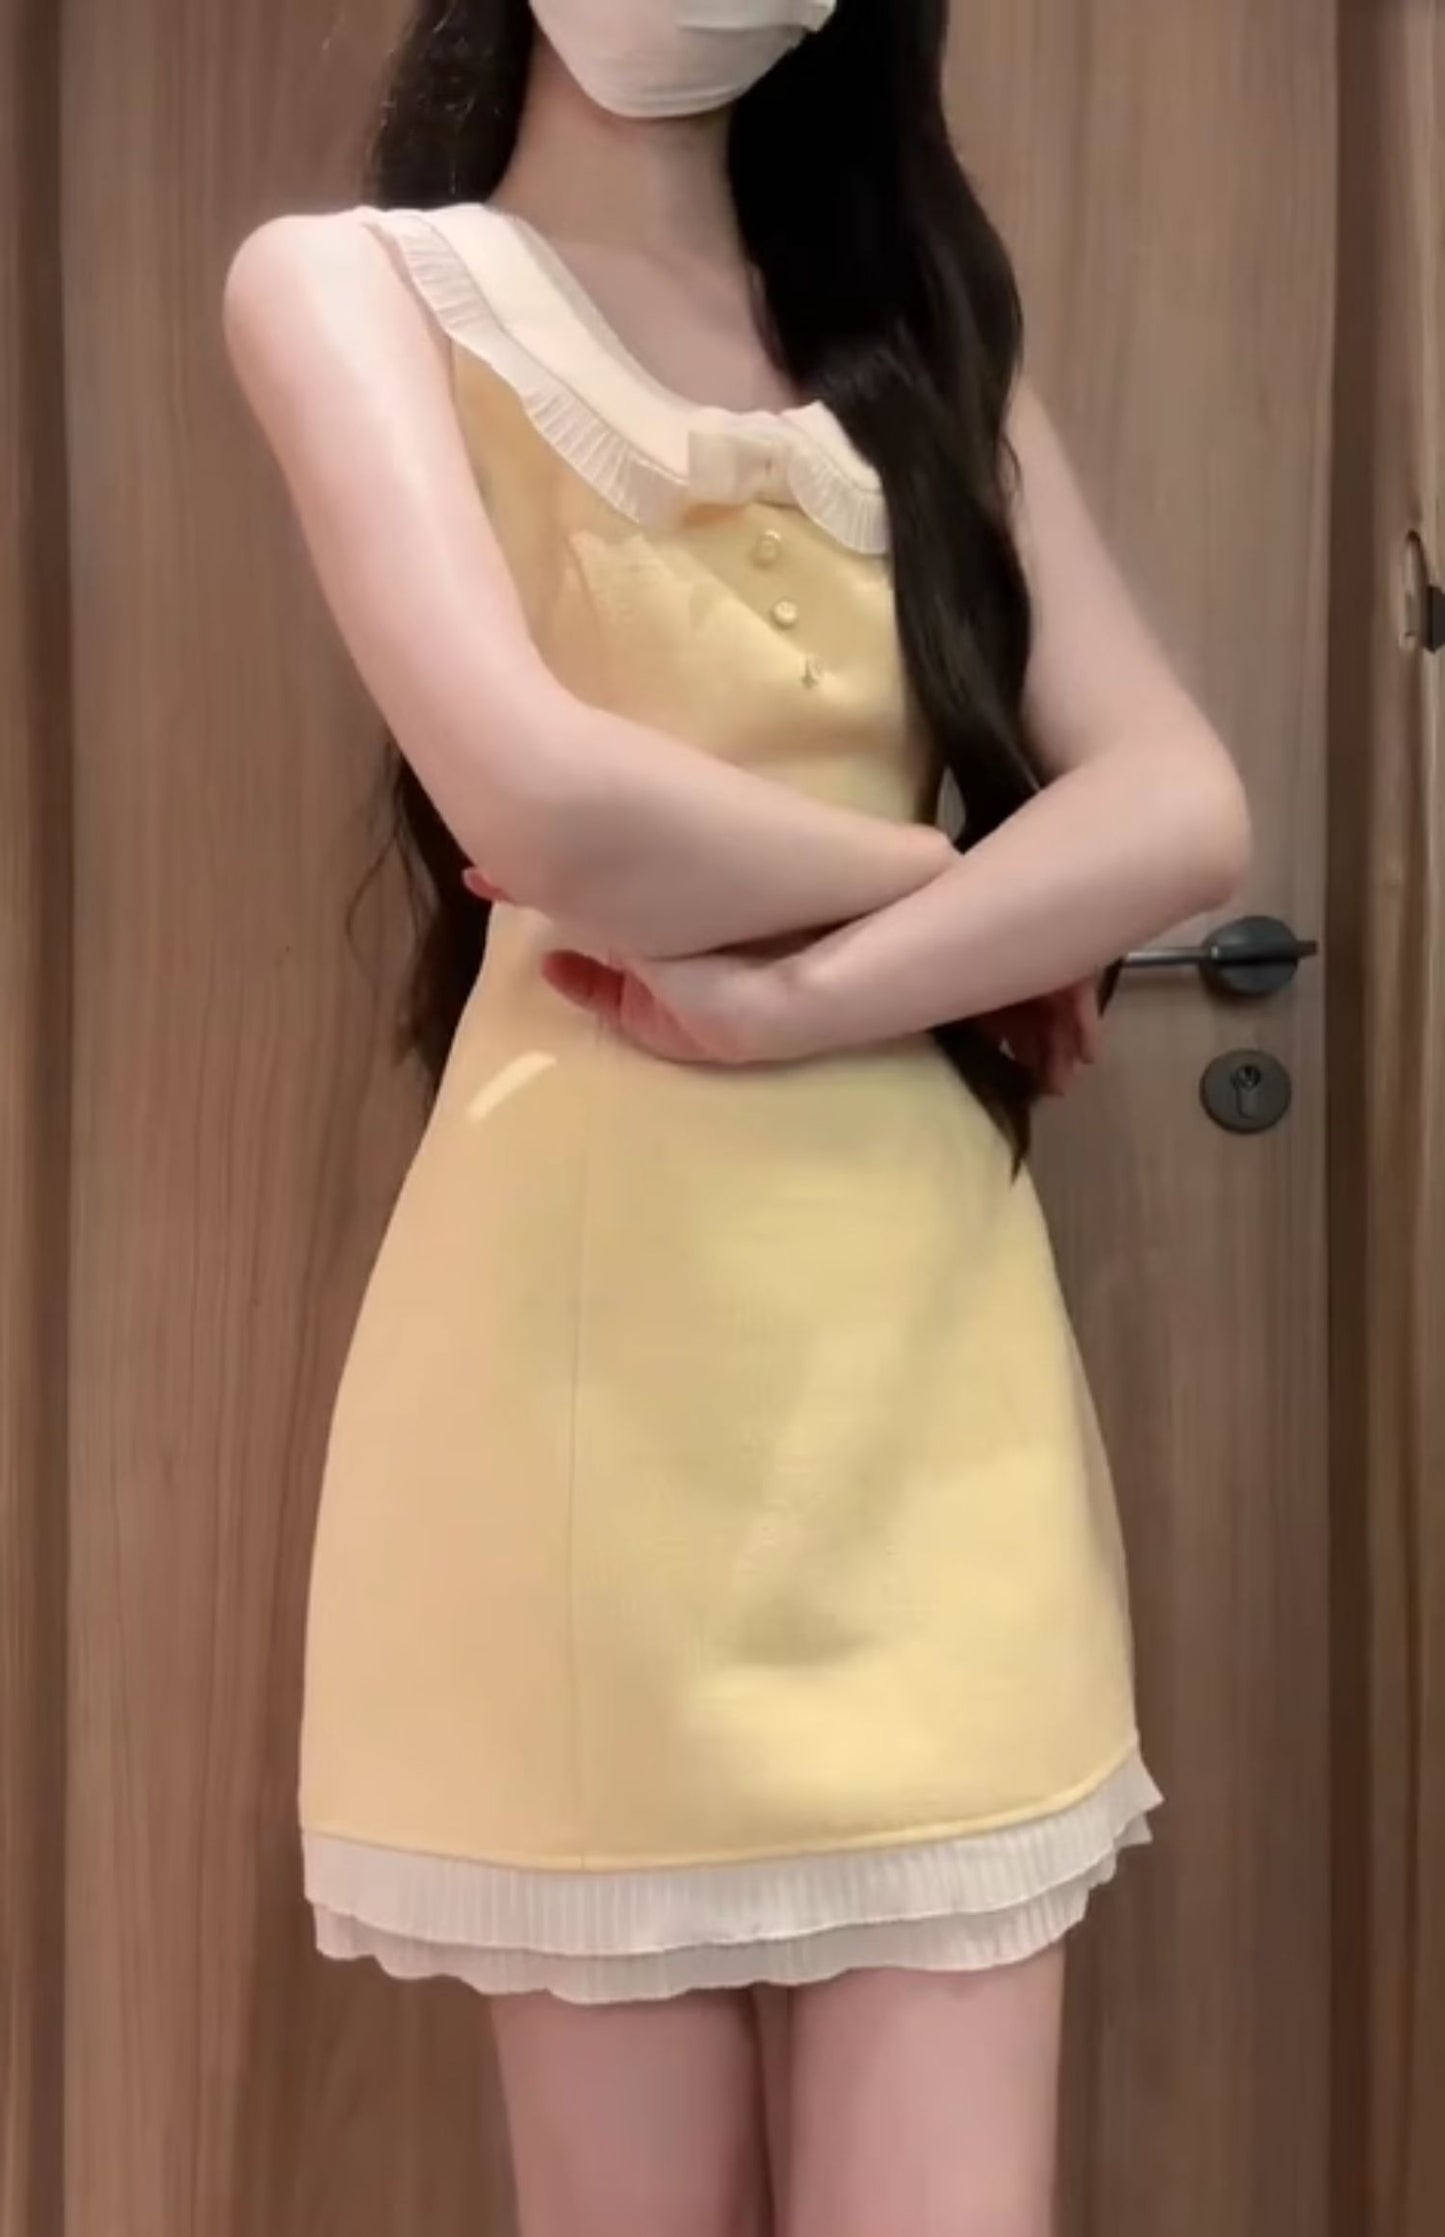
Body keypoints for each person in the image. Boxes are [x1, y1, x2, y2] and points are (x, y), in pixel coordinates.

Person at [224, 3, 1249, 2231]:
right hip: (574, 1403)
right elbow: (537, 797)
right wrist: (979, 895)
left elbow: (1186, 809)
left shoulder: (920, 346)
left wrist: (808, 993)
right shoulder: (352, 290)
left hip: (931, 1391)